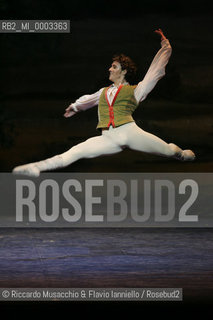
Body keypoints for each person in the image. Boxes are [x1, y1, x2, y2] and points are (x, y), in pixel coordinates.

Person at [12, 29, 195, 177]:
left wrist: (165, 46)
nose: (110, 68)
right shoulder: (103, 92)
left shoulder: (136, 90)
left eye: (114, 66)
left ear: (123, 71)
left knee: (169, 151)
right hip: (108, 137)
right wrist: (75, 106)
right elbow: (88, 99)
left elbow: (156, 71)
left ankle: (183, 155)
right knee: (75, 151)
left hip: (130, 132)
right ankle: (35, 167)